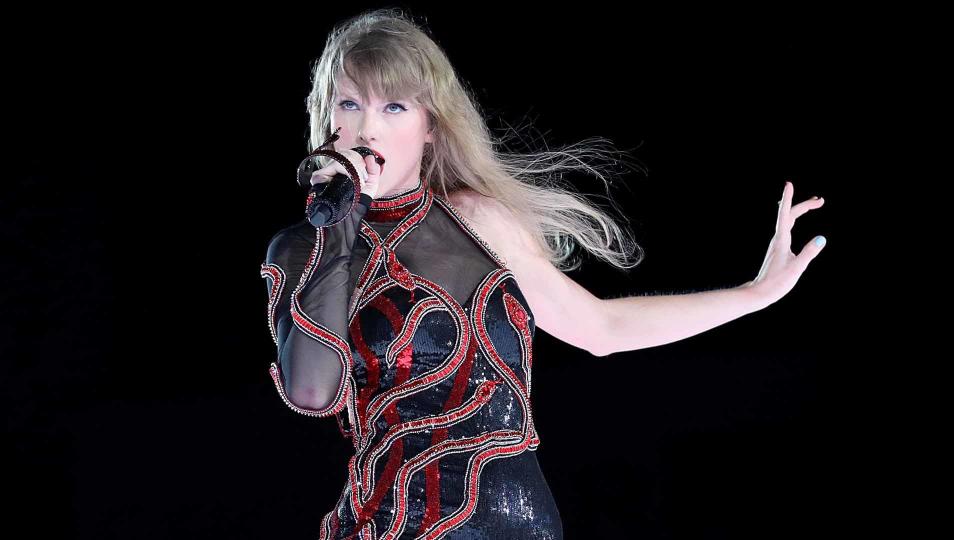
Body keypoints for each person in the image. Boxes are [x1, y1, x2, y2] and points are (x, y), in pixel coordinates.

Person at [260, 8, 826, 540]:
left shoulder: (476, 220)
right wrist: (338, 223)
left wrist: (757, 293)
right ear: (326, 118)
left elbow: (601, 330)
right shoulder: (300, 249)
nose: (367, 130)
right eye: (350, 105)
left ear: (431, 126)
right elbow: (313, 391)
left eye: (395, 108)